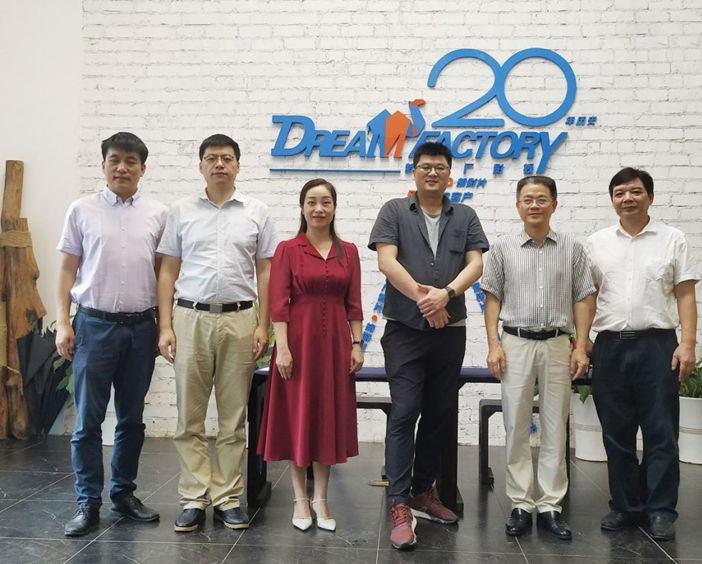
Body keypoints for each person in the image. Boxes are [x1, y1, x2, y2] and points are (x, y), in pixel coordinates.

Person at [368, 142, 489, 550]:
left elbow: (476, 264)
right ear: (414, 171)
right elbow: (387, 261)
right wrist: (428, 302)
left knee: (438, 414)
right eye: (425, 166)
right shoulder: (394, 211)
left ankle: (423, 491)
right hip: (404, 330)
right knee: (405, 413)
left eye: (439, 167)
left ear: (449, 174)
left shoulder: (465, 215)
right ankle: (399, 501)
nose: (432, 172)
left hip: (450, 331)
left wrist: (447, 295)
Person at [156, 134, 277, 532]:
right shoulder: (181, 210)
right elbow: (168, 270)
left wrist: (263, 324)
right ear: (201, 166)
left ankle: (227, 498)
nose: (219, 164)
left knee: (233, 417)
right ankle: (193, 497)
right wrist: (165, 325)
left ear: (238, 165)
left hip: (240, 320)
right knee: (189, 417)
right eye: (211, 158)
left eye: (227, 158)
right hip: (189, 318)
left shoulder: (256, 212)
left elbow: (265, 272)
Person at [55, 132, 167, 536]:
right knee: (88, 420)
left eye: (131, 161)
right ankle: (88, 502)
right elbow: (67, 269)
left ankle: (123, 494)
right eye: (115, 159)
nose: (122, 167)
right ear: (103, 164)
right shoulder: (81, 210)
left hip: (141, 329)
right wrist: (63, 321)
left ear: (142, 168)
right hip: (93, 326)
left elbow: (164, 274)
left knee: (132, 419)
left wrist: (164, 326)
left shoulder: (158, 214)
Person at [586, 167, 699, 541]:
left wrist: (688, 343)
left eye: (635, 191)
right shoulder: (597, 242)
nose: (627, 198)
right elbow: (588, 298)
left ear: (650, 196)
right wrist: (581, 342)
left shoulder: (672, 239)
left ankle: (661, 510)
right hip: (610, 346)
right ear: (612, 200)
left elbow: (685, 293)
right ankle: (625, 505)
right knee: (616, 433)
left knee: (660, 431)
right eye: (620, 193)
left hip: (658, 345)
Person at [480, 176, 596, 540]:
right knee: (516, 424)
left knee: (555, 424)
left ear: (554, 205)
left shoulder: (573, 249)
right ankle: (520, 503)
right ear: (518, 206)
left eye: (542, 199)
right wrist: (493, 344)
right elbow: (492, 298)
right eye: (527, 199)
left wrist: (581, 345)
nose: (534, 205)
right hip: (515, 342)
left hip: (559, 343)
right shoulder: (502, 248)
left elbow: (583, 297)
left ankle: (550, 505)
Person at [257, 179, 363, 532]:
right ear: (302, 207)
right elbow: (279, 303)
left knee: (326, 416)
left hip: (336, 345)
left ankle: (321, 498)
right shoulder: (288, 249)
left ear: (334, 207)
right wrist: (283, 348)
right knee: (298, 416)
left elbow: (354, 303)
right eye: (312, 202)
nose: (319, 208)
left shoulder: (349, 251)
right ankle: (300, 498)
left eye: (326, 202)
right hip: (297, 343)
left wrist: (357, 343)